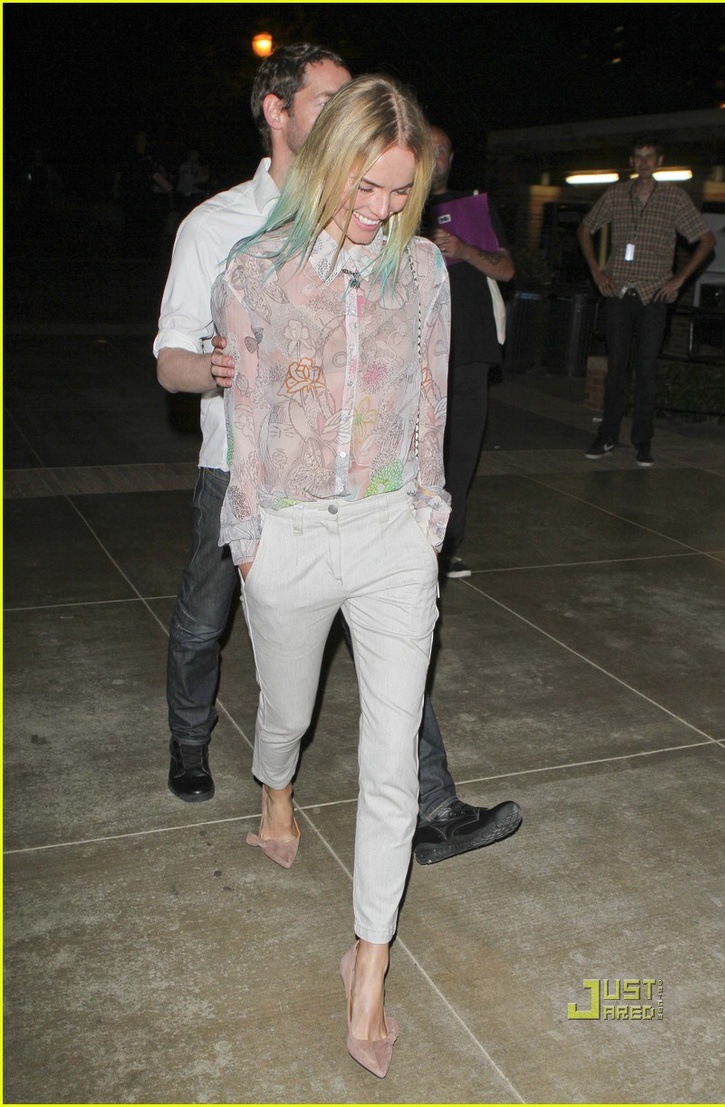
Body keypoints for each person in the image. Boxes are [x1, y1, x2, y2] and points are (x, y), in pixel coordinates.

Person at [155, 45, 521, 864]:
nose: (344, 109)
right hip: (244, 469)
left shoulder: (384, 227)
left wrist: (424, 511)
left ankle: (430, 800)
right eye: (326, 98)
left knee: (394, 655)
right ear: (277, 111)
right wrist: (222, 368)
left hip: (364, 497)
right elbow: (170, 360)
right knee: (207, 620)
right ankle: (198, 744)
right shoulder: (219, 227)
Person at [214, 72, 451, 1079]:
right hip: (292, 533)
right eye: (366, 186)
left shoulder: (423, 270)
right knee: (288, 711)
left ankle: (368, 963)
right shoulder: (256, 271)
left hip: (391, 533)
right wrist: (250, 538)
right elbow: (247, 422)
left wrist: (428, 517)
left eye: (400, 191)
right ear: (326, 165)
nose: (382, 209)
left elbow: (430, 402)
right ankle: (274, 784)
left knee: (391, 762)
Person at [578, 135, 715, 467]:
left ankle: (643, 440)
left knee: (647, 370)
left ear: (659, 161)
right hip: (618, 292)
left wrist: (679, 280)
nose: (643, 163)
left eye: (649, 157)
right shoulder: (616, 194)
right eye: (638, 157)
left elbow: (707, 239)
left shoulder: (674, 198)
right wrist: (597, 271)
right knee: (616, 369)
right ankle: (607, 436)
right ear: (631, 162)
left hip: (654, 294)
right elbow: (585, 228)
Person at [425, 126, 515, 578]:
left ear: (452, 157)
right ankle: (414, 548)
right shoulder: (394, 205)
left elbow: (507, 268)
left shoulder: (473, 206)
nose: (434, 157)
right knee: (419, 456)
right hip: (417, 355)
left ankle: (447, 548)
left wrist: (463, 249)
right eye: (427, 149)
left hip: (471, 348)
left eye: (441, 150)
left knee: (460, 455)